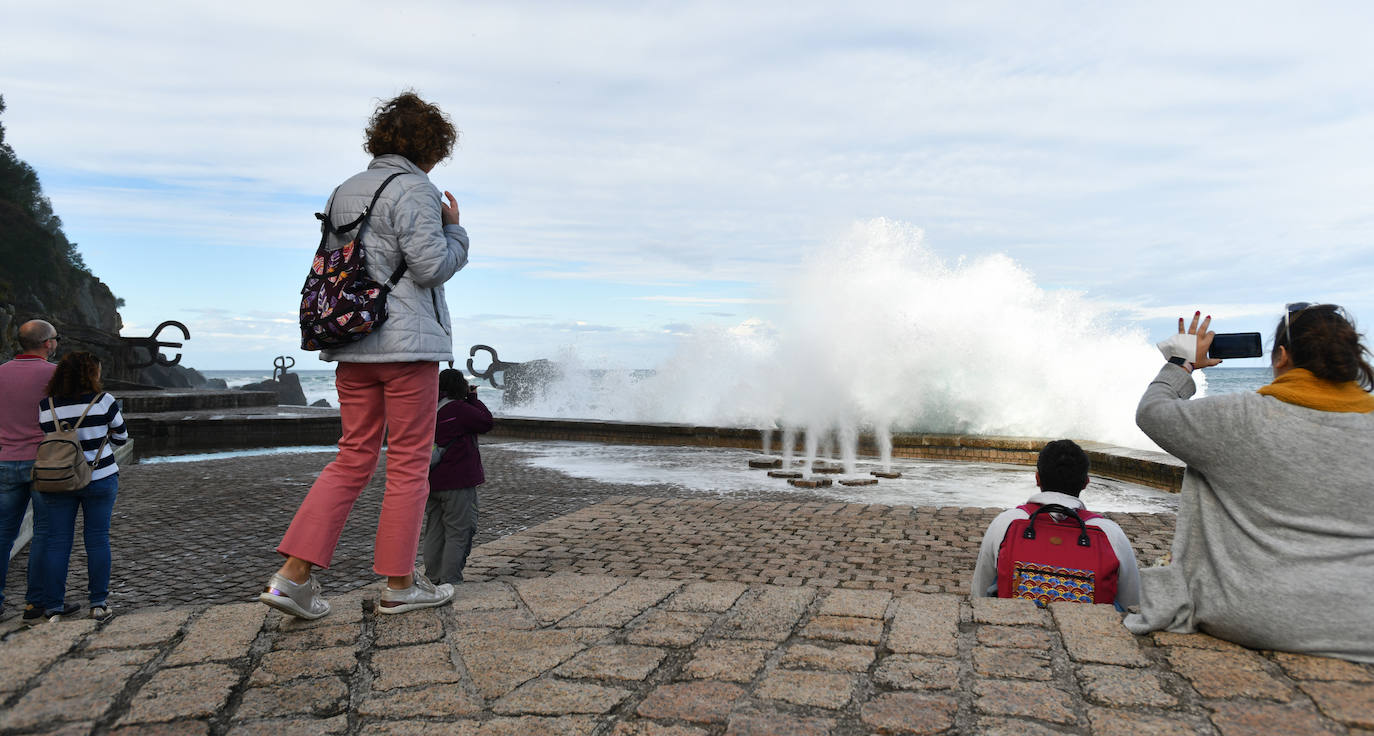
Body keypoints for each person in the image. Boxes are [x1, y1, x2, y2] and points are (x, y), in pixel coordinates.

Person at [260, 91, 470, 619]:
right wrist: (456, 229)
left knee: (352, 456)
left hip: (353, 342)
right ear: (431, 145)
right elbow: (430, 267)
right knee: (407, 463)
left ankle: (291, 579)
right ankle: (400, 585)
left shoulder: (344, 190)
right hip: (406, 347)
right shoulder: (416, 189)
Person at [1126, 308, 1374, 662]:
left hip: (1254, 614)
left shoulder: (1242, 417)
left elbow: (1153, 411)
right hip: (1362, 624)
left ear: (1283, 357)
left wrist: (1183, 362)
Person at [971, 439, 1141, 609]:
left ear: (1037, 478)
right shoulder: (1110, 532)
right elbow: (1132, 602)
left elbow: (979, 592)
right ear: (1086, 483)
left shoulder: (1007, 522)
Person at [34, 351, 128, 621]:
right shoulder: (104, 401)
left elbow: (49, 436)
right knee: (97, 540)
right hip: (99, 478)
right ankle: (98, 603)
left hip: (59, 479)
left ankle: (53, 606)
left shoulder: (46, 405)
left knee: (57, 542)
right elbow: (121, 437)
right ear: (92, 374)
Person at [0, 319, 60, 622]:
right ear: (47, 343)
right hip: (45, 461)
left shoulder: (0, 373)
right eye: (55, 339)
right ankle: (34, 603)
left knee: (2, 536)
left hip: (5, 460)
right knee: (44, 535)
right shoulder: (55, 374)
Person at [422, 370, 493, 584]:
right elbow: (486, 422)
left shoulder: (428, 409)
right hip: (457, 481)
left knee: (435, 529)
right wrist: (472, 398)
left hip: (432, 479)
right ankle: (450, 580)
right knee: (459, 529)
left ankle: (432, 578)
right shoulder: (459, 409)